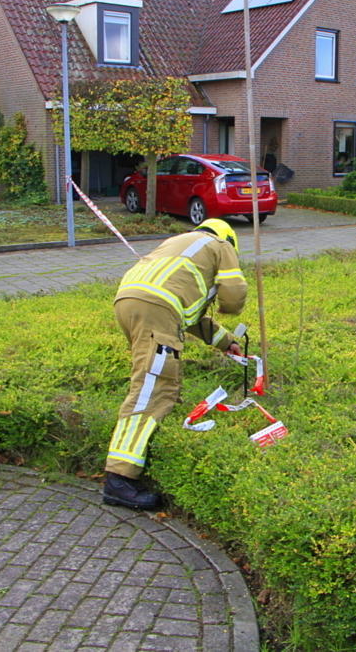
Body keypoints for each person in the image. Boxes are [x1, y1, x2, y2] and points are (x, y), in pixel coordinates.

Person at [106, 218, 247, 509]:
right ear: (229, 238)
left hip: (130, 302)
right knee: (154, 388)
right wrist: (231, 308)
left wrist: (226, 342)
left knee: (153, 379)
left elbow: (190, 317)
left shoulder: (179, 245)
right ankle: (119, 478)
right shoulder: (220, 245)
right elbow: (234, 289)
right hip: (157, 309)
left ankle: (138, 456)